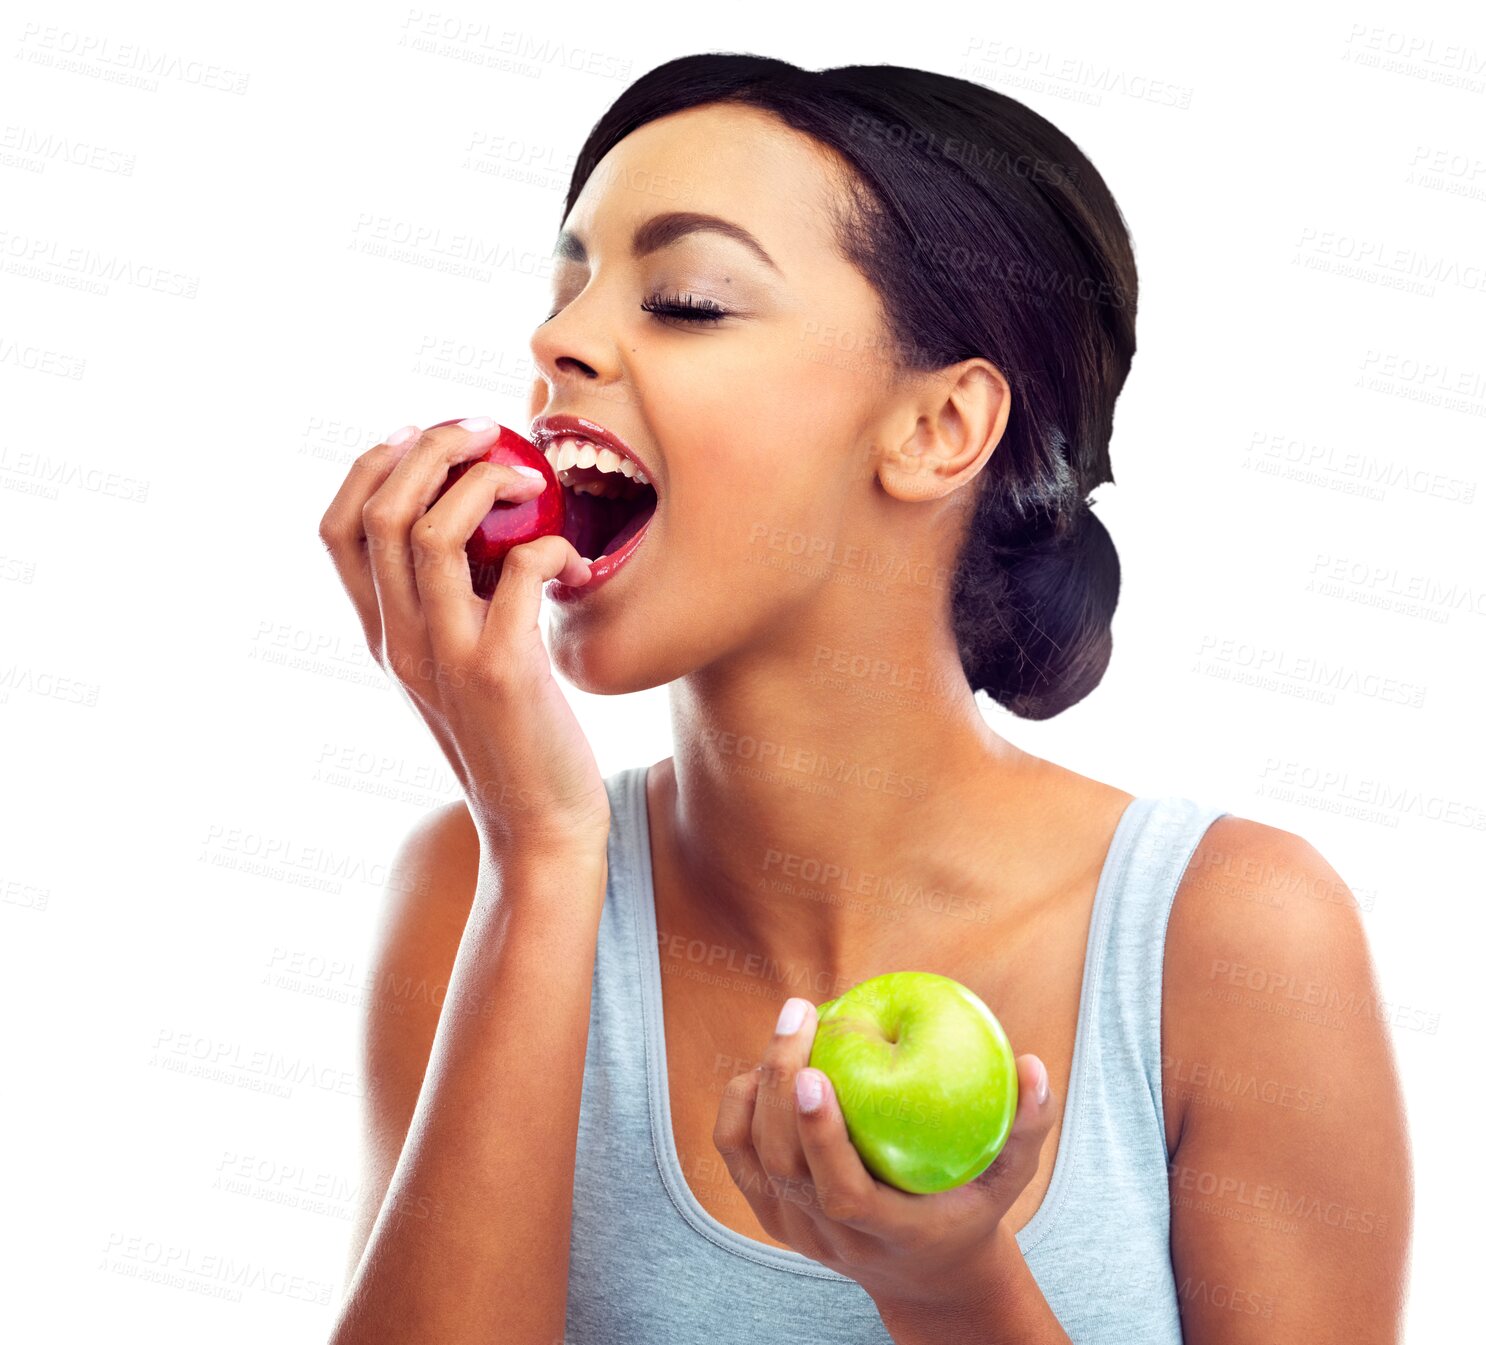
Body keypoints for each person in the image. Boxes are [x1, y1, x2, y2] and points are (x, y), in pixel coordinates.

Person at [318, 53, 1411, 1345]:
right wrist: (544, 858)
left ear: (939, 427)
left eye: (686, 299)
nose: (554, 343)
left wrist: (954, 1288)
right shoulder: (478, 889)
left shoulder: (1234, 937)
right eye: (570, 287)